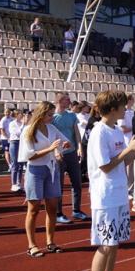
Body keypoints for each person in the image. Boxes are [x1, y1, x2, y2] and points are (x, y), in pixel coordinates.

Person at [86, 90, 135, 271]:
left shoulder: (115, 130)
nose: (126, 110)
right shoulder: (99, 132)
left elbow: (123, 161)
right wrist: (130, 148)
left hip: (118, 193)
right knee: (105, 244)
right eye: (123, 106)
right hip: (105, 196)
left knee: (114, 242)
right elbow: (105, 166)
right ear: (113, 109)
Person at [20, 101, 71, 257]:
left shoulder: (51, 128)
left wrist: (65, 144)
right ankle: (32, 245)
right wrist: (51, 148)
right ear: (41, 114)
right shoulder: (28, 130)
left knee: (52, 207)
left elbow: (64, 141)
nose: (52, 117)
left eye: (52, 114)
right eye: (49, 115)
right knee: (34, 208)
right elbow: (29, 155)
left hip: (52, 169)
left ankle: (50, 241)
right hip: (35, 171)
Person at [52, 92, 89, 222]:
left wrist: (79, 146)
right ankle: (58, 213)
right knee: (59, 185)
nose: (69, 102)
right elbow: (51, 136)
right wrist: (56, 151)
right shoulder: (52, 117)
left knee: (77, 182)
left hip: (72, 152)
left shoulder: (72, 115)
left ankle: (76, 210)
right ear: (60, 101)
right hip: (59, 154)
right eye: (67, 100)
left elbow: (76, 131)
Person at [116, 94, 135, 202]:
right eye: (132, 99)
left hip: (133, 140)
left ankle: (131, 189)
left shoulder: (132, 112)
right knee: (128, 167)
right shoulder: (123, 113)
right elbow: (123, 129)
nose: (134, 101)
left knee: (132, 168)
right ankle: (127, 190)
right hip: (127, 142)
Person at [8, 110, 26, 192]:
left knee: (21, 164)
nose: (22, 115)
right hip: (14, 143)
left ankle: (19, 183)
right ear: (16, 115)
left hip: (22, 143)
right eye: (20, 114)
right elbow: (18, 133)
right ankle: (14, 184)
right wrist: (23, 124)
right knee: (15, 164)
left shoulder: (22, 123)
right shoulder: (12, 123)